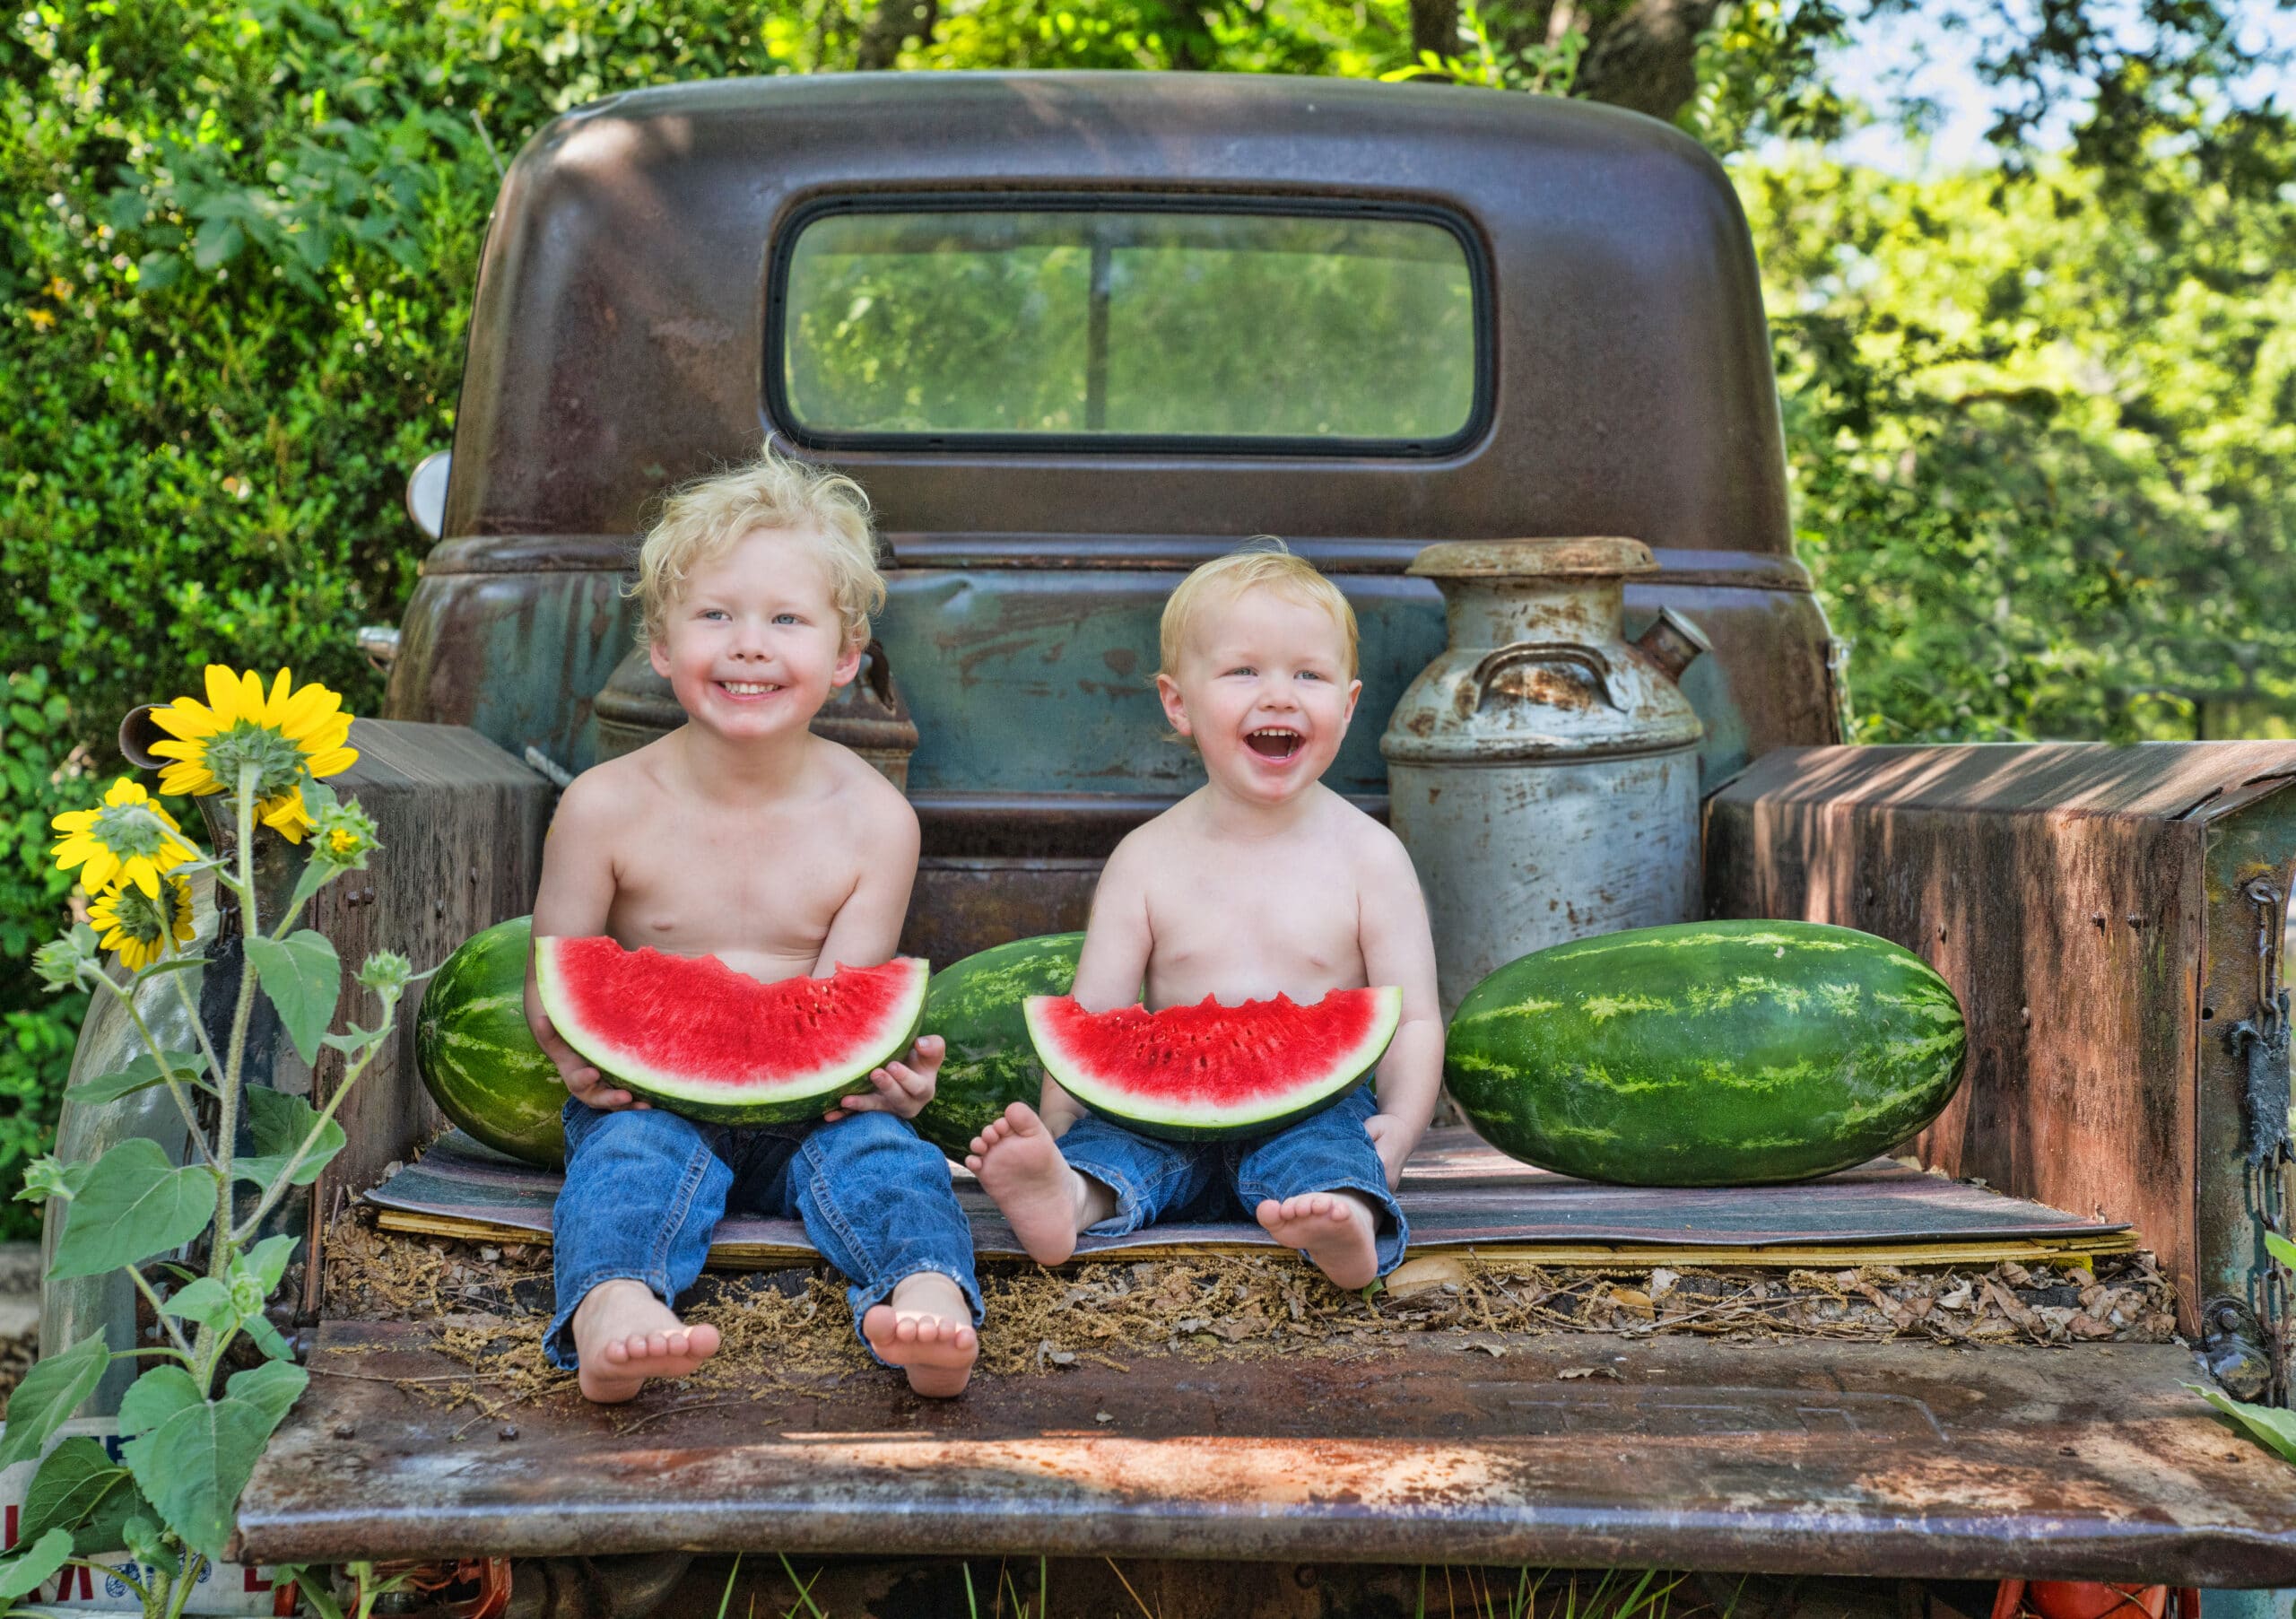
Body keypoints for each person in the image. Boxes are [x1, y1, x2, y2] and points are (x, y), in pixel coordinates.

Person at [525, 443, 978, 1403]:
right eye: (715, 614)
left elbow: (841, 1014)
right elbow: (553, 977)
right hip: (652, 1097)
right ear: (660, 642)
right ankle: (613, 1306)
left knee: (892, 1162)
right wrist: (572, 1051)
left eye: (786, 618)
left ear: (846, 656)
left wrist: (891, 1079)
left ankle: (928, 1300)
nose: (748, 643)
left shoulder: (875, 822)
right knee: (620, 1166)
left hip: (817, 1109)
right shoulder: (603, 806)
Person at [968, 544, 1443, 1289]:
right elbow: (1093, 1018)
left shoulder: (1373, 857)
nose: (1280, 695)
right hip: (1160, 1110)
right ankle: (1069, 1196)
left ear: (1347, 707)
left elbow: (1411, 1018)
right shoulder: (1144, 858)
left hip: (1313, 1106)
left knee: (1332, 1155)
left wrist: (1405, 1125)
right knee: (1115, 1150)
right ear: (1178, 702)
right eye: (1244, 670)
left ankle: (1345, 1220)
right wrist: (1060, 1130)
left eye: (1308, 674)